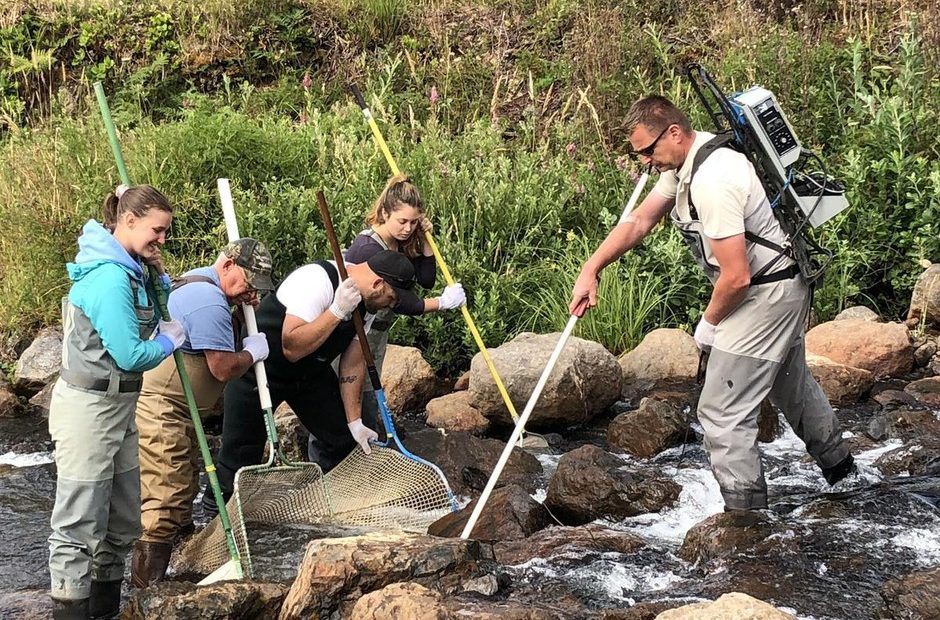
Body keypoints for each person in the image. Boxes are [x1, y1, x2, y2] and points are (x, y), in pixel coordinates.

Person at [569, 95, 855, 512]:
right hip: (774, 285)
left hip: (766, 293)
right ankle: (845, 476)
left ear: (674, 133)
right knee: (790, 385)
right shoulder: (686, 162)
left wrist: (709, 324)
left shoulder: (713, 180)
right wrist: (592, 267)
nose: (647, 162)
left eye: (649, 151)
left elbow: (735, 277)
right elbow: (641, 220)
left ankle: (746, 523)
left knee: (722, 412)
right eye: (640, 155)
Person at [48, 184, 186, 619]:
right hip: (88, 409)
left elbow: (158, 308)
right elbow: (130, 353)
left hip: (123, 406)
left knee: (124, 518)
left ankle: (104, 610)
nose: (162, 239)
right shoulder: (109, 276)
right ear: (129, 221)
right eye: (157, 231)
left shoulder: (133, 268)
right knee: (79, 523)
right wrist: (169, 343)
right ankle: (70, 607)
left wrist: (159, 278)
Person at [204, 249, 419, 514]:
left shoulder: (369, 302)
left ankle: (338, 507)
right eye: (392, 299)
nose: (391, 306)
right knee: (239, 457)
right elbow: (292, 346)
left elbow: (353, 361)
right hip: (260, 370)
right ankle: (212, 519)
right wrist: (337, 310)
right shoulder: (317, 280)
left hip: (309, 374)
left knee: (344, 440)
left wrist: (354, 422)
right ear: (378, 284)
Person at [130, 238, 275, 588]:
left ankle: (179, 575)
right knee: (164, 497)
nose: (251, 291)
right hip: (163, 407)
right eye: (247, 282)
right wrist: (252, 353)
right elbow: (223, 367)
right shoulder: (207, 300)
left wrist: (240, 309)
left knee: (182, 490)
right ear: (227, 265)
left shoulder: (209, 288)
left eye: (256, 288)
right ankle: (144, 594)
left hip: (182, 410)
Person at [308, 175, 466, 461]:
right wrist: (442, 303)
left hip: (375, 331)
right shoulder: (369, 249)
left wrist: (424, 240)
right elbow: (402, 302)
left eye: (414, 222)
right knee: (337, 400)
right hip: (347, 332)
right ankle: (327, 467)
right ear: (384, 213)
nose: (407, 228)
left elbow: (426, 279)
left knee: (366, 396)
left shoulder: (400, 243)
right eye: (402, 222)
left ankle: (360, 460)